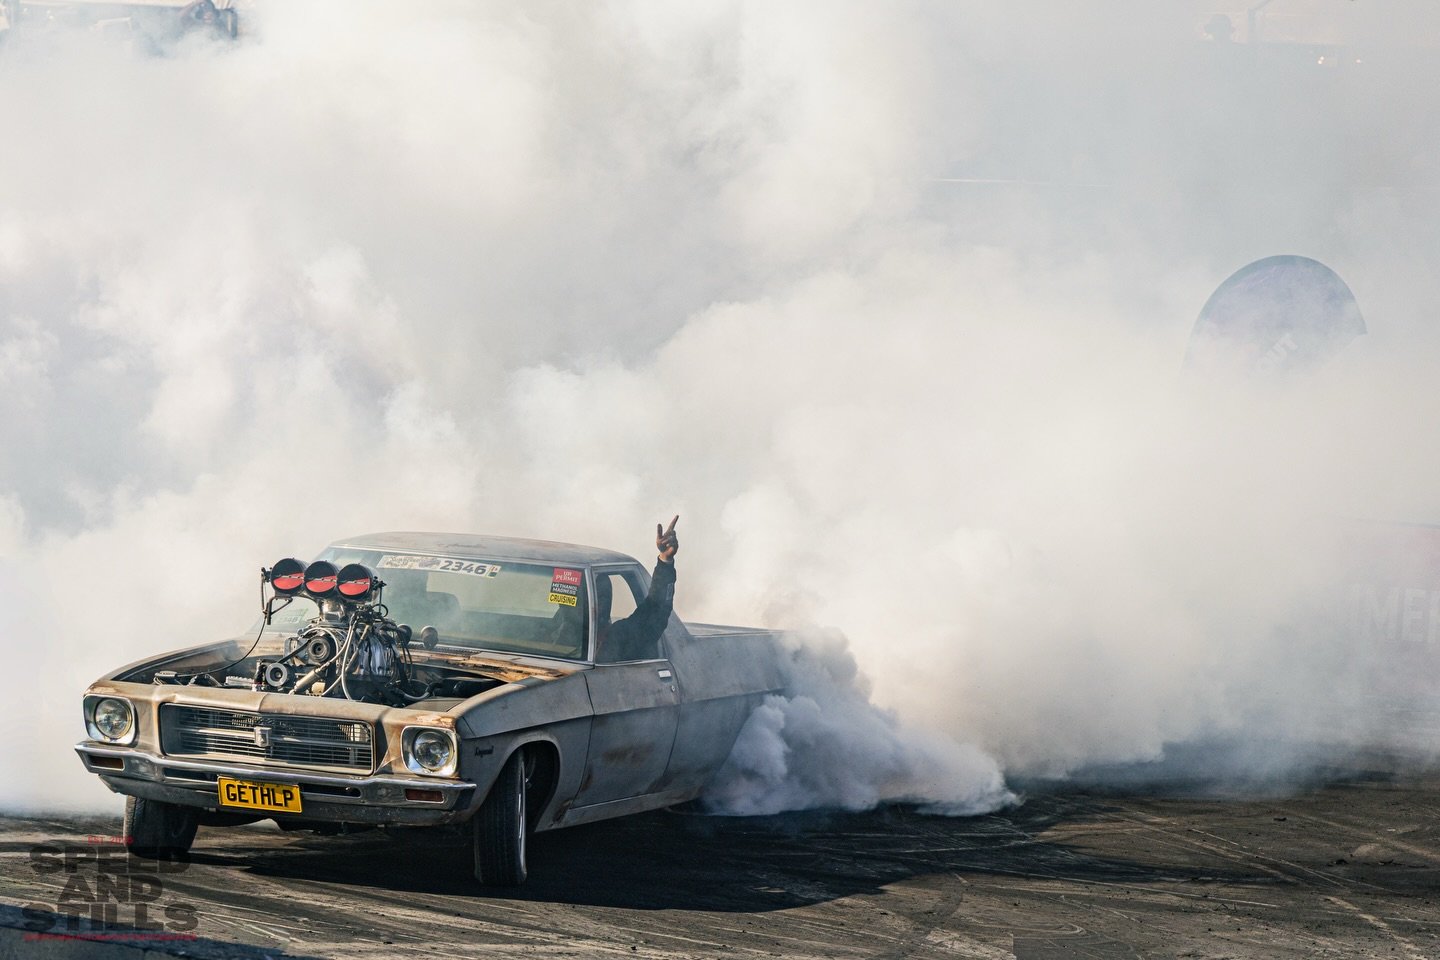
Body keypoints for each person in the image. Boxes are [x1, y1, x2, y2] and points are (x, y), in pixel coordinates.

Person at [595, 516, 679, 662]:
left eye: (600, 597)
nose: (594, 605)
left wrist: (665, 561)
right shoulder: (555, 634)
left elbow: (656, 609)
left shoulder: (620, 636)